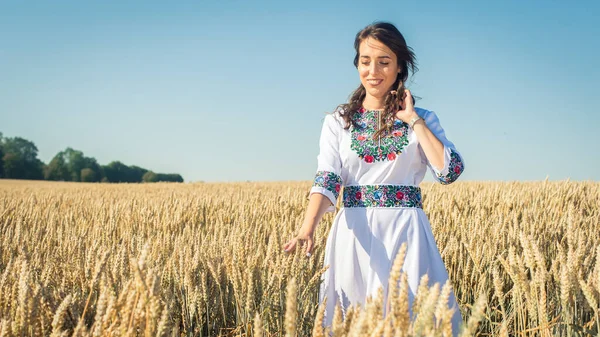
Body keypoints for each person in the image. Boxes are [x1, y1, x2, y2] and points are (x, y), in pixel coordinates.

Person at [283, 21, 465, 335]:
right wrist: (307, 227)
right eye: (365, 61)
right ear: (357, 64)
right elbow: (327, 178)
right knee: (351, 322)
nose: (373, 71)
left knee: (412, 322)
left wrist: (414, 121)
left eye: (384, 62)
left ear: (399, 68)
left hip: (406, 234)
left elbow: (449, 172)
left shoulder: (423, 119)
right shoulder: (338, 121)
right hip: (355, 233)